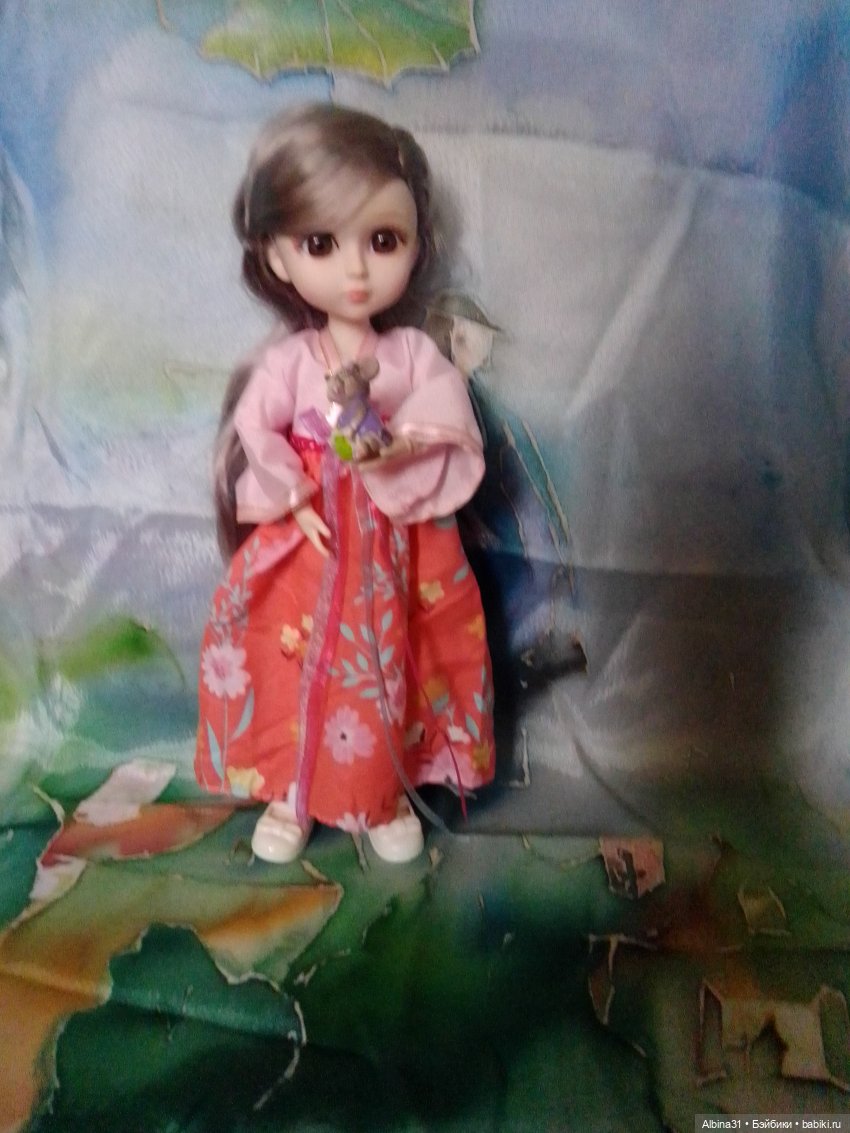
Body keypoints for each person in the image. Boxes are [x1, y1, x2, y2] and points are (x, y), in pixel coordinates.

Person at [195, 104, 495, 865]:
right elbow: (255, 427)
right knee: (293, 657)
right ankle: (292, 791)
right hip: (312, 541)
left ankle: (381, 791)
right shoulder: (291, 361)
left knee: (395, 661)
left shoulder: (410, 354)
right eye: (321, 244)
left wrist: (396, 443)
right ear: (277, 256)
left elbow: (447, 416)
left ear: (416, 244)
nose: (356, 270)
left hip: (397, 544)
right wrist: (294, 496)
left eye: (382, 240)